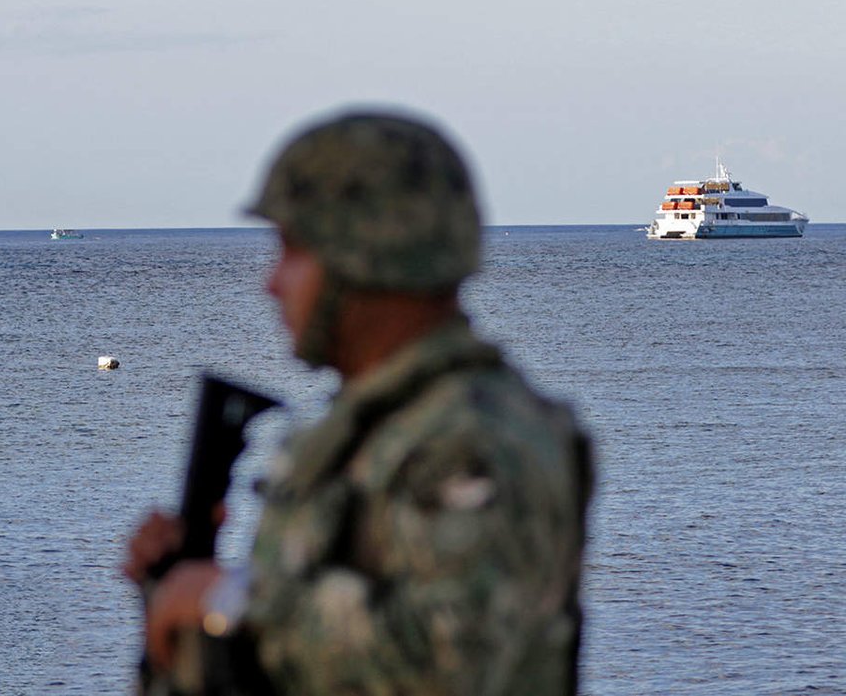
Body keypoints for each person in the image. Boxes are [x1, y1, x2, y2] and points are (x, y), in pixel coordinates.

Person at [125, 109, 593, 696]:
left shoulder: (481, 437)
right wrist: (175, 590)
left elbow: (454, 664)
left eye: (294, 251)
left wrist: (224, 597)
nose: (271, 282)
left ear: (366, 257)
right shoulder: (367, 428)